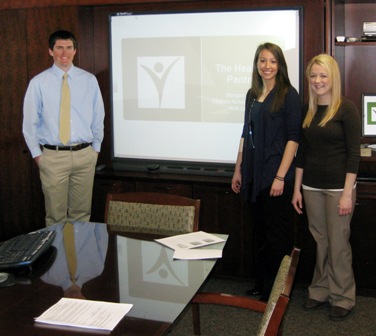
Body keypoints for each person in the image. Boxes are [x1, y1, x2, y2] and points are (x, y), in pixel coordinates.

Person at [292, 54, 360, 321]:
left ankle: (343, 296)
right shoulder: (308, 109)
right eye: (313, 76)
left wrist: (347, 194)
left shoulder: (346, 109)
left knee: (338, 243)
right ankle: (319, 291)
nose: (318, 81)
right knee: (320, 241)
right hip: (310, 187)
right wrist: (297, 190)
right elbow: (302, 154)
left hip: (337, 191)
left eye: (323, 75)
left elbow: (354, 154)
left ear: (333, 78)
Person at [231, 42, 301, 301]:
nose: (267, 66)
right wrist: (238, 168)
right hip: (252, 174)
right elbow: (244, 132)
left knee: (277, 237)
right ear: (257, 65)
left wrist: (281, 176)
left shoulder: (288, 95)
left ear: (279, 64)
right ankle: (261, 284)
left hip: (275, 175)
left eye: (272, 61)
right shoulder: (252, 94)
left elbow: (293, 139)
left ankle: (278, 291)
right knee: (259, 234)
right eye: (262, 61)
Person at [23, 30, 105, 227]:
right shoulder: (38, 83)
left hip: (85, 155)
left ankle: (79, 258)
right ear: (51, 51)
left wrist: (95, 149)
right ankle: (59, 259)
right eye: (59, 47)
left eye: (69, 47)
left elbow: (98, 116)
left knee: (82, 215)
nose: (64, 52)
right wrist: (38, 156)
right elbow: (29, 123)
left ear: (75, 51)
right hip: (53, 158)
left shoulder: (89, 80)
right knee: (55, 217)